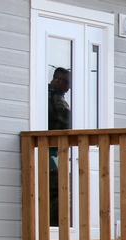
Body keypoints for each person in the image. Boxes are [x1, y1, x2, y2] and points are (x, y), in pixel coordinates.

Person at [48, 67, 71, 227]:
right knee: (56, 190)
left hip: (55, 151)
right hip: (52, 152)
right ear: (58, 80)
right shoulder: (54, 98)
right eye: (67, 82)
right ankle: (54, 227)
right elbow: (66, 121)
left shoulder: (53, 96)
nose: (69, 87)